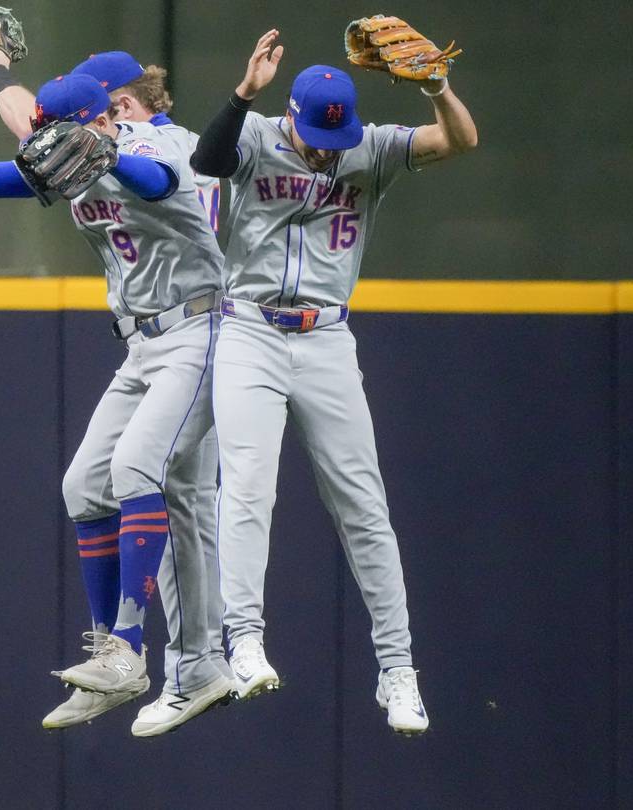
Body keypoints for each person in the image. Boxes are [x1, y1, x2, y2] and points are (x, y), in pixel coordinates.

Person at [0, 70, 232, 737]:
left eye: (63, 132)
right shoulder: (73, 153)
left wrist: (108, 152)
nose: (50, 145)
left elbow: (156, 183)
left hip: (201, 330)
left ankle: (131, 647)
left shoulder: (162, 146)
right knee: (85, 486)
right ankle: (110, 659)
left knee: (138, 470)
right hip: (143, 344)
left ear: (108, 114)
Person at [189, 29, 479, 735]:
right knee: (249, 487)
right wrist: (242, 92)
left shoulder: (368, 145)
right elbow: (208, 158)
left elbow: (460, 142)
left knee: (364, 507)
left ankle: (400, 671)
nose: (327, 148)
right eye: (318, 135)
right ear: (292, 114)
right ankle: (245, 642)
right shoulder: (256, 133)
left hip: (325, 337)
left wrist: (438, 88)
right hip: (251, 329)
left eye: (335, 136)